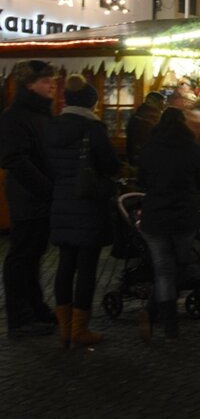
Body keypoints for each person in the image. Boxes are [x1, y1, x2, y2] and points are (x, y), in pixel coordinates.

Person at [44, 74, 121, 348]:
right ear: (90, 102)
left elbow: (48, 165)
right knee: (87, 267)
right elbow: (111, 165)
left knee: (65, 265)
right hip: (89, 203)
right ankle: (80, 329)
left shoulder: (53, 127)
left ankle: (65, 329)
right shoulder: (93, 128)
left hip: (62, 202)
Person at [136, 106, 200, 341]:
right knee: (179, 266)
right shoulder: (192, 149)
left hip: (155, 218)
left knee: (163, 270)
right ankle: (157, 315)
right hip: (183, 217)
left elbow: (142, 181)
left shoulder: (150, 149)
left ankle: (168, 325)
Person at [1, 59, 59, 339]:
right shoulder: (16, 116)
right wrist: (46, 188)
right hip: (29, 197)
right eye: (46, 81)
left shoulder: (41, 114)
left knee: (34, 255)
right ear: (29, 85)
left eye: (52, 80)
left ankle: (35, 308)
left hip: (40, 196)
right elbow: (15, 159)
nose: (52, 85)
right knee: (22, 256)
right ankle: (20, 317)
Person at [125, 90, 165, 165]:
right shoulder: (151, 118)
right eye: (161, 103)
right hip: (148, 158)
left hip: (136, 156)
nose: (162, 106)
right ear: (154, 103)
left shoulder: (138, 116)